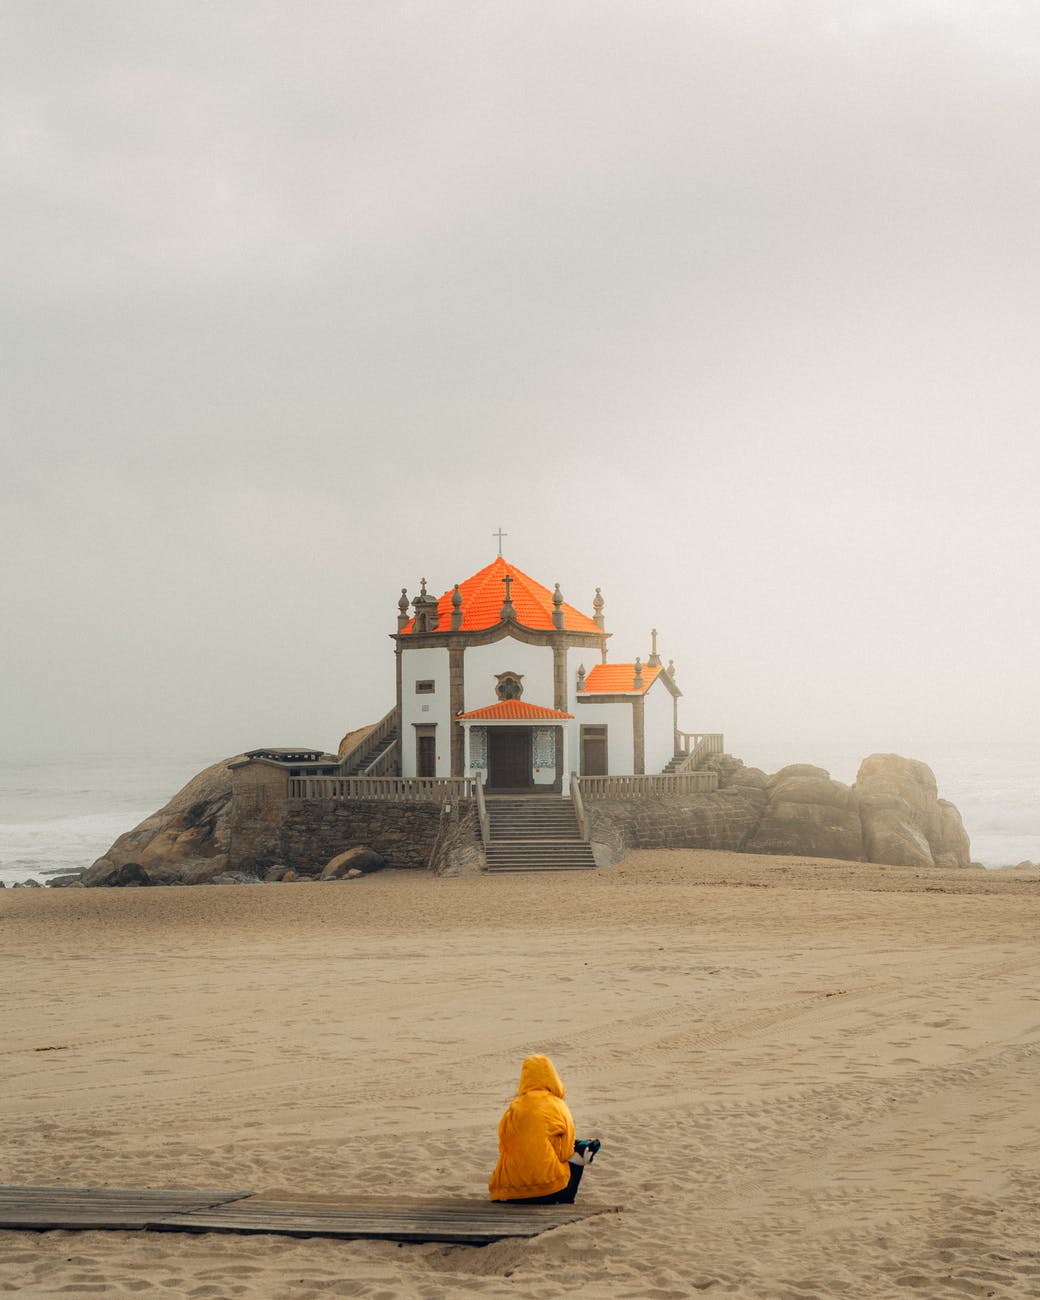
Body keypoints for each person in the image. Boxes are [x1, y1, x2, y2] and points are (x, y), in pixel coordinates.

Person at [488, 1054, 597, 1204]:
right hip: (547, 1190)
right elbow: (565, 1152)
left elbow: (504, 1146)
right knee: (580, 1149)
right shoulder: (558, 1106)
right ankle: (567, 1200)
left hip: (508, 1191)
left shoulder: (514, 1107)